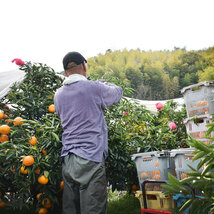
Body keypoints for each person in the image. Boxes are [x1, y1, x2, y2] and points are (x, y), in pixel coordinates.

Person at [54, 51, 123, 214]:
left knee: (71, 209)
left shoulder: (58, 95)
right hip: (90, 157)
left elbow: (60, 112)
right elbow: (117, 93)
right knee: (93, 209)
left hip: (68, 159)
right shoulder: (93, 88)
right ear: (84, 66)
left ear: (66, 72)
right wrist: (101, 83)